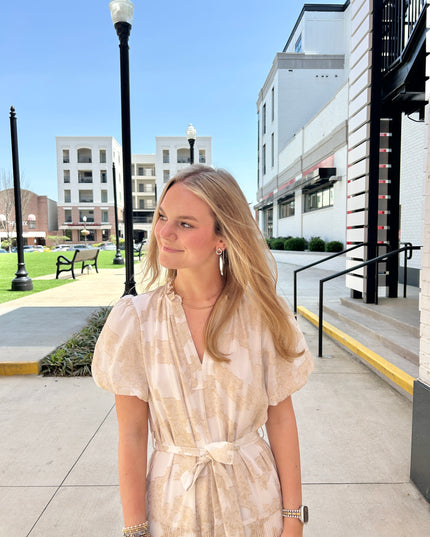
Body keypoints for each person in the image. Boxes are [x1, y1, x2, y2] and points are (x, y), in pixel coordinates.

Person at [92, 164, 314, 537]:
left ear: (221, 237)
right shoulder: (136, 321)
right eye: (163, 216)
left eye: (185, 223)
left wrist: (293, 518)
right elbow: (131, 433)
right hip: (173, 510)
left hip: (255, 506)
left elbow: (281, 419)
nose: (164, 232)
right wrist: (135, 530)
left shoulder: (262, 315)